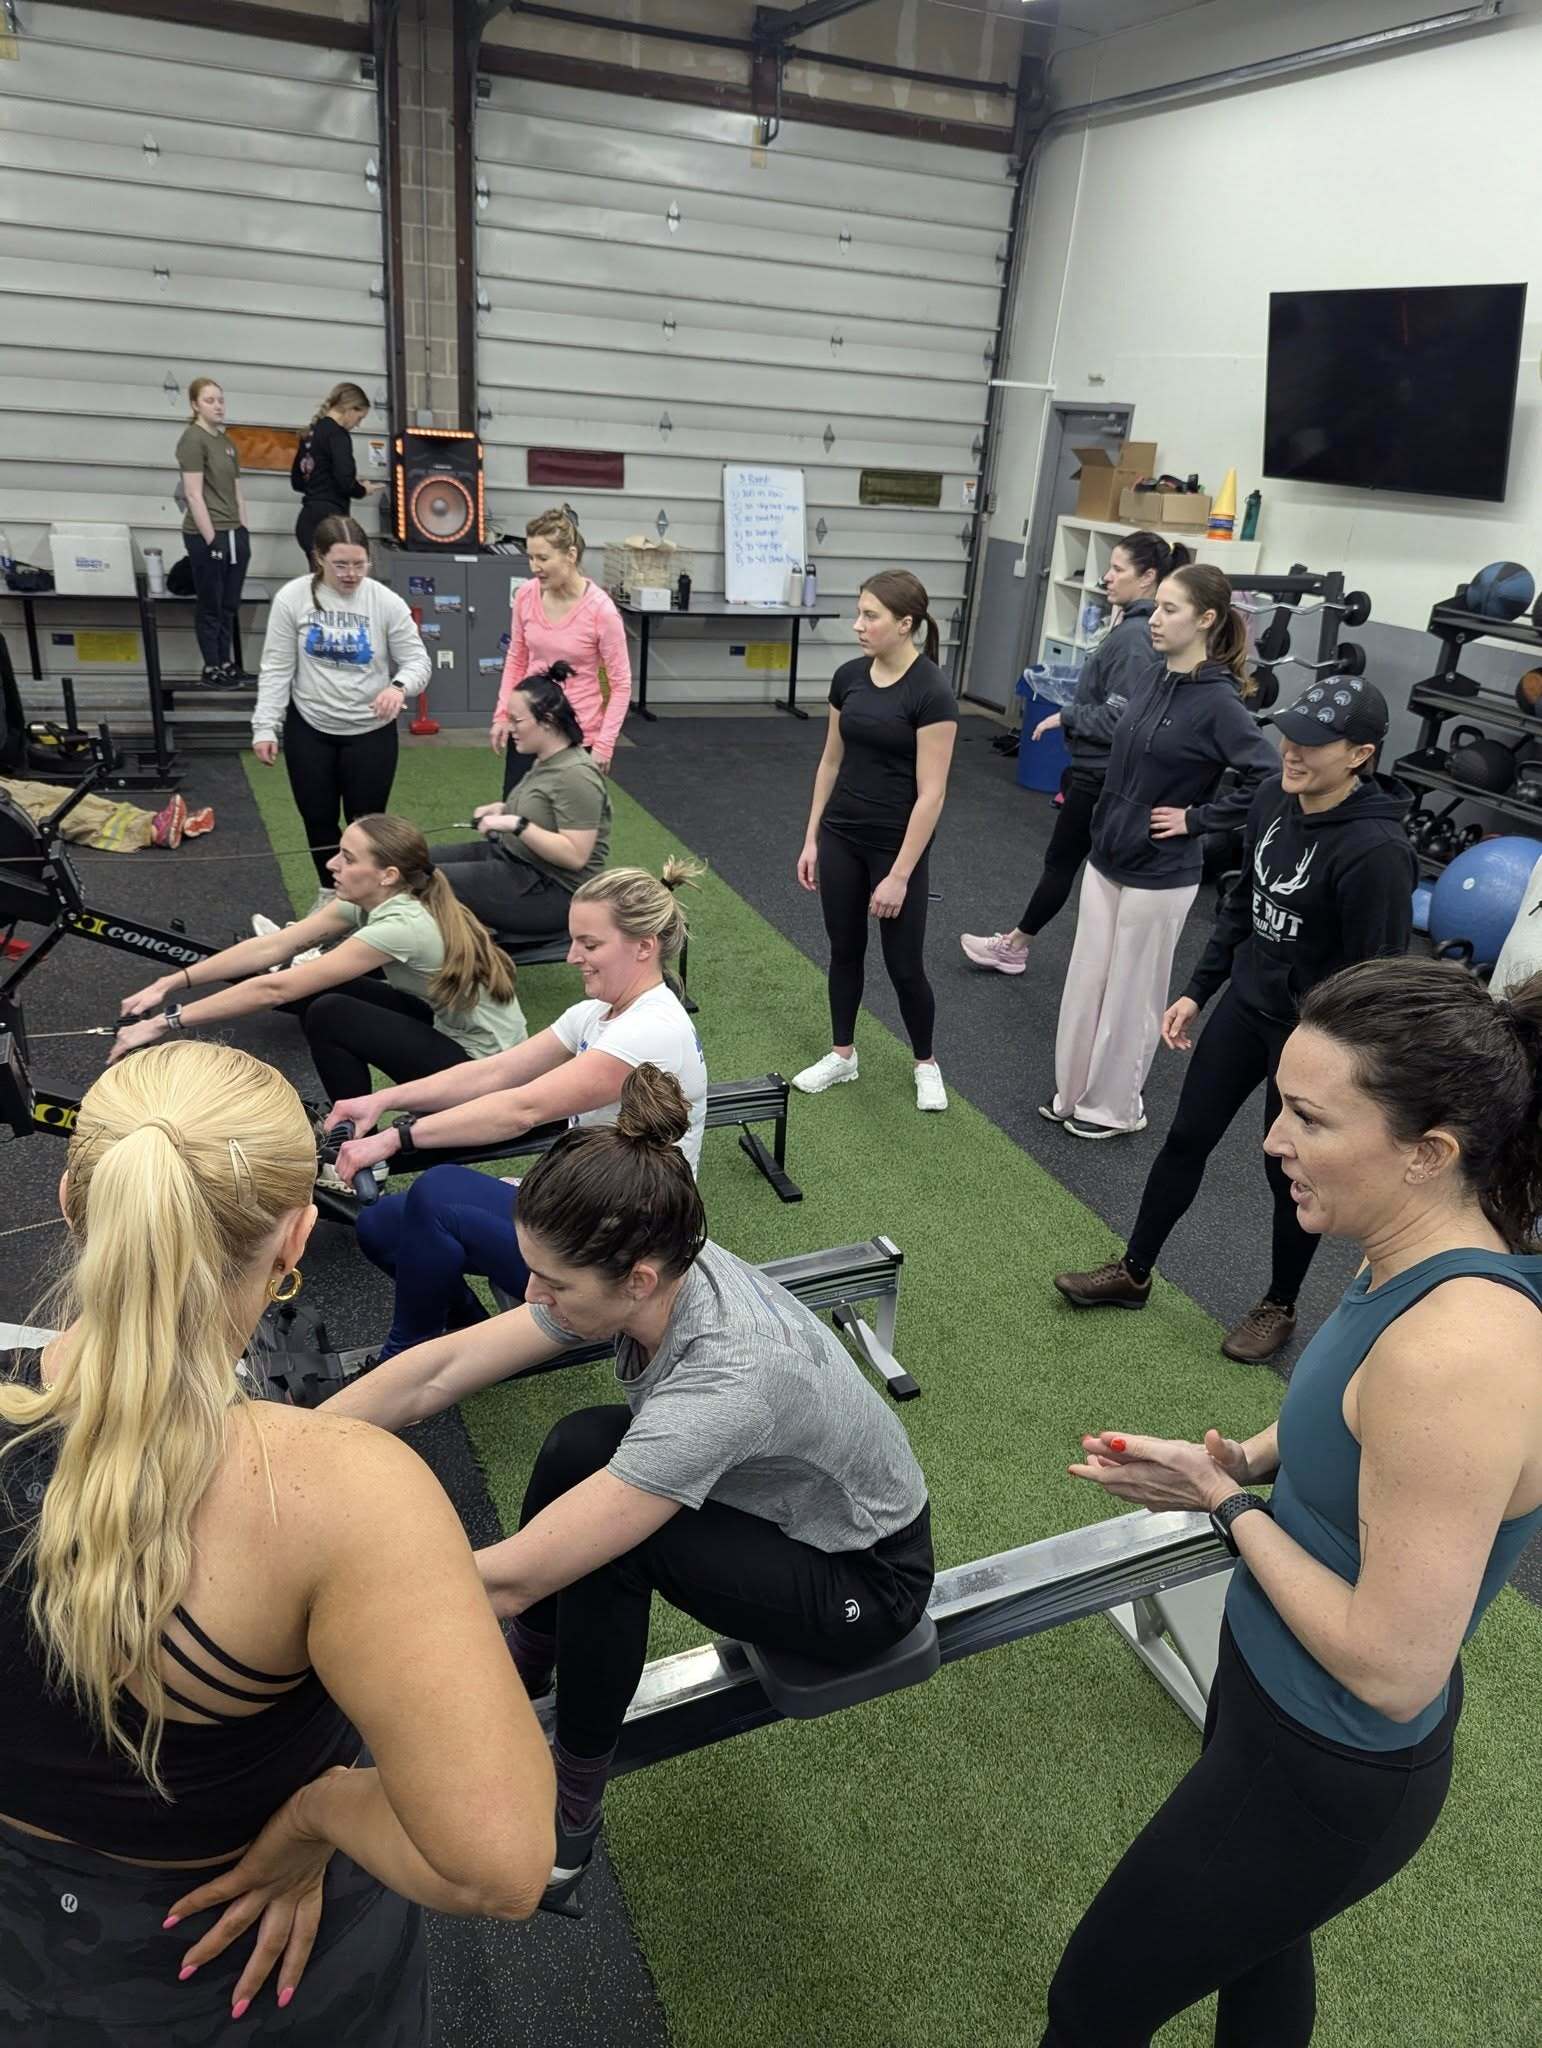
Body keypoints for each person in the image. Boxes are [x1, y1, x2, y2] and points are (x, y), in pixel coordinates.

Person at [0, 1041, 555, 2042]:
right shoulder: (346, 1498)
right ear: (296, 1235)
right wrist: (318, 1818)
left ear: (75, 1197)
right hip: (238, 1945)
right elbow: (498, 1863)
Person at [1040, 954, 1542, 2048]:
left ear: (1428, 1154)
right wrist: (1246, 1457)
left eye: (1309, 1118)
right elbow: (1352, 1417)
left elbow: (1393, 1662)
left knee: (1090, 2004)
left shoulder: (1459, 1349)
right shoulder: (1396, 1256)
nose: (1271, 1139)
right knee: (1257, 1959)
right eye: (1281, 1104)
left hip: (1329, 1761)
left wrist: (1224, 1500)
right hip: (1268, 1696)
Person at [322, 1063, 934, 1913]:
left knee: (616, 1547)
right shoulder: (647, 1255)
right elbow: (441, 1370)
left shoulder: (724, 1380)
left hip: (863, 1578)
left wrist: (320, 1603)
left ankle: (575, 1804)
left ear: (636, 1281)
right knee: (584, 1440)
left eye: (552, 1285)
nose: (532, 1296)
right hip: (781, 1508)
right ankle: (534, 1661)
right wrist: (302, 1445)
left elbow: (516, 1575)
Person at [1054, 679, 1415, 1358]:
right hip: (1247, 1008)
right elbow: (1245, 902)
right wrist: (1198, 989)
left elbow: (1378, 981)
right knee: (1186, 1136)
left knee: (1290, 1174)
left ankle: (1279, 1306)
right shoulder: (1275, 800)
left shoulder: (1376, 854)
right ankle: (1133, 1271)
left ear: (1361, 753)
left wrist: (1350, 1069)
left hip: (1317, 1039)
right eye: (1291, 734)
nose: (1294, 751)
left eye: (1314, 742)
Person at [328, 863, 707, 1360]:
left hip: (626, 1238)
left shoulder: (650, 1029)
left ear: (644, 946)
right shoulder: (599, 1012)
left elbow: (523, 1107)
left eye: (590, 946)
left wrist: (395, 1138)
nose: (573, 957)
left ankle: (403, 1357)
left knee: (439, 1191)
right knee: (379, 1227)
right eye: (574, 942)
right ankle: (471, 1333)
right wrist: (382, 1100)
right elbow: (497, 1073)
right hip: (581, 1200)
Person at [1043, 561, 1280, 1139]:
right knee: (1086, 982)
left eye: (1171, 609)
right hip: (1108, 858)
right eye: (1159, 606)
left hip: (1162, 870)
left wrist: (1199, 818)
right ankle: (1072, 1093)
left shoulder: (1220, 702)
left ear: (1206, 619)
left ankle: (1114, 1109)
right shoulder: (1154, 675)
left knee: (1132, 994)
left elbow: (1267, 775)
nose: (1157, 619)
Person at [110, 816, 527, 1105]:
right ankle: (351, 1117)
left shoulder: (401, 925)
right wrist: (170, 982)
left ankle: (353, 1136)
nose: (332, 864)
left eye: (348, 858)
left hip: (486, 1073)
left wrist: (164, 1022)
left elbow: (276, 988)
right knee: (322, 989)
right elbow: (272, 949)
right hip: (451, 1031)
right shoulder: (376, 899)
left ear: (388, 874)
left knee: (332, 1011)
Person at [961, 532, 1183, 974]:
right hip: (1097, 771)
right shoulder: (1132, 629)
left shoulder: (1137, 637)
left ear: (1149, 578)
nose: (1106, 577)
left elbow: (1125, 719)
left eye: (1118, 569)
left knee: (1072, 865)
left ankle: (1016, 947)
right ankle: (1024, 946)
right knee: (1083, 868)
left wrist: (1068, 716)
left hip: (1103, 775)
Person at [793, 569, 959, 1113]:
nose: (858, 625)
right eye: (859, 613)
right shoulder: (848, 678)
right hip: (841, 835)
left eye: (871, 616)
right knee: (845, 951)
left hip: (896, 848)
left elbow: (932, 795)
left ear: (905, 624)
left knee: (904, 964)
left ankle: (926, 1063)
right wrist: (812, 837)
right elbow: (830, 760)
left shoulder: (931, 691)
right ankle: (843, 1054)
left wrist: (900, 875)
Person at [251, 517, 431, 893]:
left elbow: (418, 662)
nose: (351, 574)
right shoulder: (293, 598)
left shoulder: (384, 601)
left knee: (365, 827)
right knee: (317, 820)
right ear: (318, 558)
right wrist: (265, 726)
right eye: (341, 565)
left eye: (359, 564)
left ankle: (365, 898)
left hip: (370, 731)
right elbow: (276, 667)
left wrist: (398, 687)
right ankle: (330, 895)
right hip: (311, 728)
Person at [428, 663, 613, 941]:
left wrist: (516, 823)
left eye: (517, 721)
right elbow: (544, 812)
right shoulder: (547, 759)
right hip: (515, 861)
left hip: (555, 892)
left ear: (547, 721)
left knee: (428, 880)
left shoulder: (576, 775)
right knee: (415, 863)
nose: (509, 728)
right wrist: (502, 810)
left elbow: (575, 856)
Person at [491, 508, 631, 795]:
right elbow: (517, 658)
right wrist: (503, 714)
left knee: (565, 830)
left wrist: (604, 745)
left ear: (570, 555)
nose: (534, 567)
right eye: (530, 557)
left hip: (576, 734)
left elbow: (621, 684)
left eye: (543, 558)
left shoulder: (602, 611)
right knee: (516, 816)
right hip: (529, 725)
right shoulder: (526, 596)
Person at [176, 376, 251, 688]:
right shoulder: (193, 440)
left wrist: (243, 529)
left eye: (220, 400)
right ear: (195, 405)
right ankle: (212, 665)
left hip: (233, 530)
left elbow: (236, 491)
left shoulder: (226, 443)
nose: (218, 406)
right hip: (207, 532)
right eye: (210, 400)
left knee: (229, 603)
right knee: (211, 602)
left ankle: (227, 660)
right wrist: (211, 539)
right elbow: (193, 494)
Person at [290, 382, 385, 562]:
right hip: (330, 522)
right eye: (359, 418)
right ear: (349, 409)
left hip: (307, 520)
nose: (358, 425)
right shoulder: (338, 436)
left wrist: (324, 482)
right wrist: (363, 489)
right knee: (333, 582)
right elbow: (345, 482)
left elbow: (297, 481)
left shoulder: (310, 434)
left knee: (319, 581)